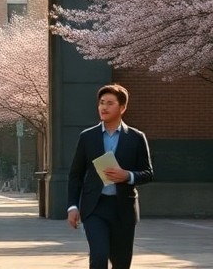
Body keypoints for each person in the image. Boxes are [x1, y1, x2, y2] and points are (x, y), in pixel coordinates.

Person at [66, 83, 154, 269]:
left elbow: (147, 173)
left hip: (123, 209)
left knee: (121, 263)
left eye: (110, 103)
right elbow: (75, 175)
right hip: (94, 208)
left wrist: (127, 175)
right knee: (99, 256)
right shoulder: (88, 137)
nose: (104, 107)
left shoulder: (136, 137)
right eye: (101, 103)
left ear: (122, 107)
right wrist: (72, 206)